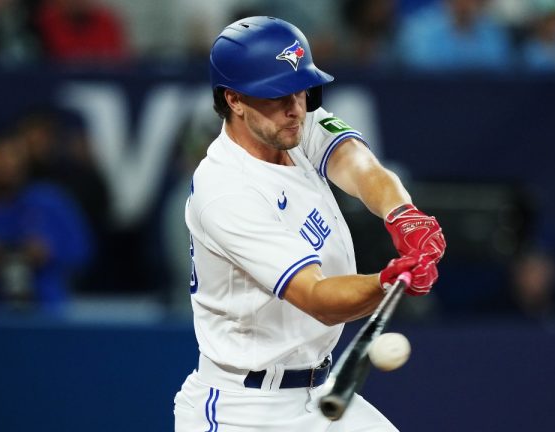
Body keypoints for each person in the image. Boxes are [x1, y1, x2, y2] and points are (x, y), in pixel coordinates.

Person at [173, 16, 446, 431]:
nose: (295, 106)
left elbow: (357, 164)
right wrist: (388, 282)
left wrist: (402, 214)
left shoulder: (290, 124)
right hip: (245, 410)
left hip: (318, 390)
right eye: (277, 95)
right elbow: (317, 297)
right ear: (234, 100)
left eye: (301, 90)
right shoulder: (225, 189)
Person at [0, 133, 92, 311]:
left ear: (25, 162)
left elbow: (82, 251)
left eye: (13, 156)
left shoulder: (51, 202)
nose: (7, 164)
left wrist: (47, 252)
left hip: (44, 312)